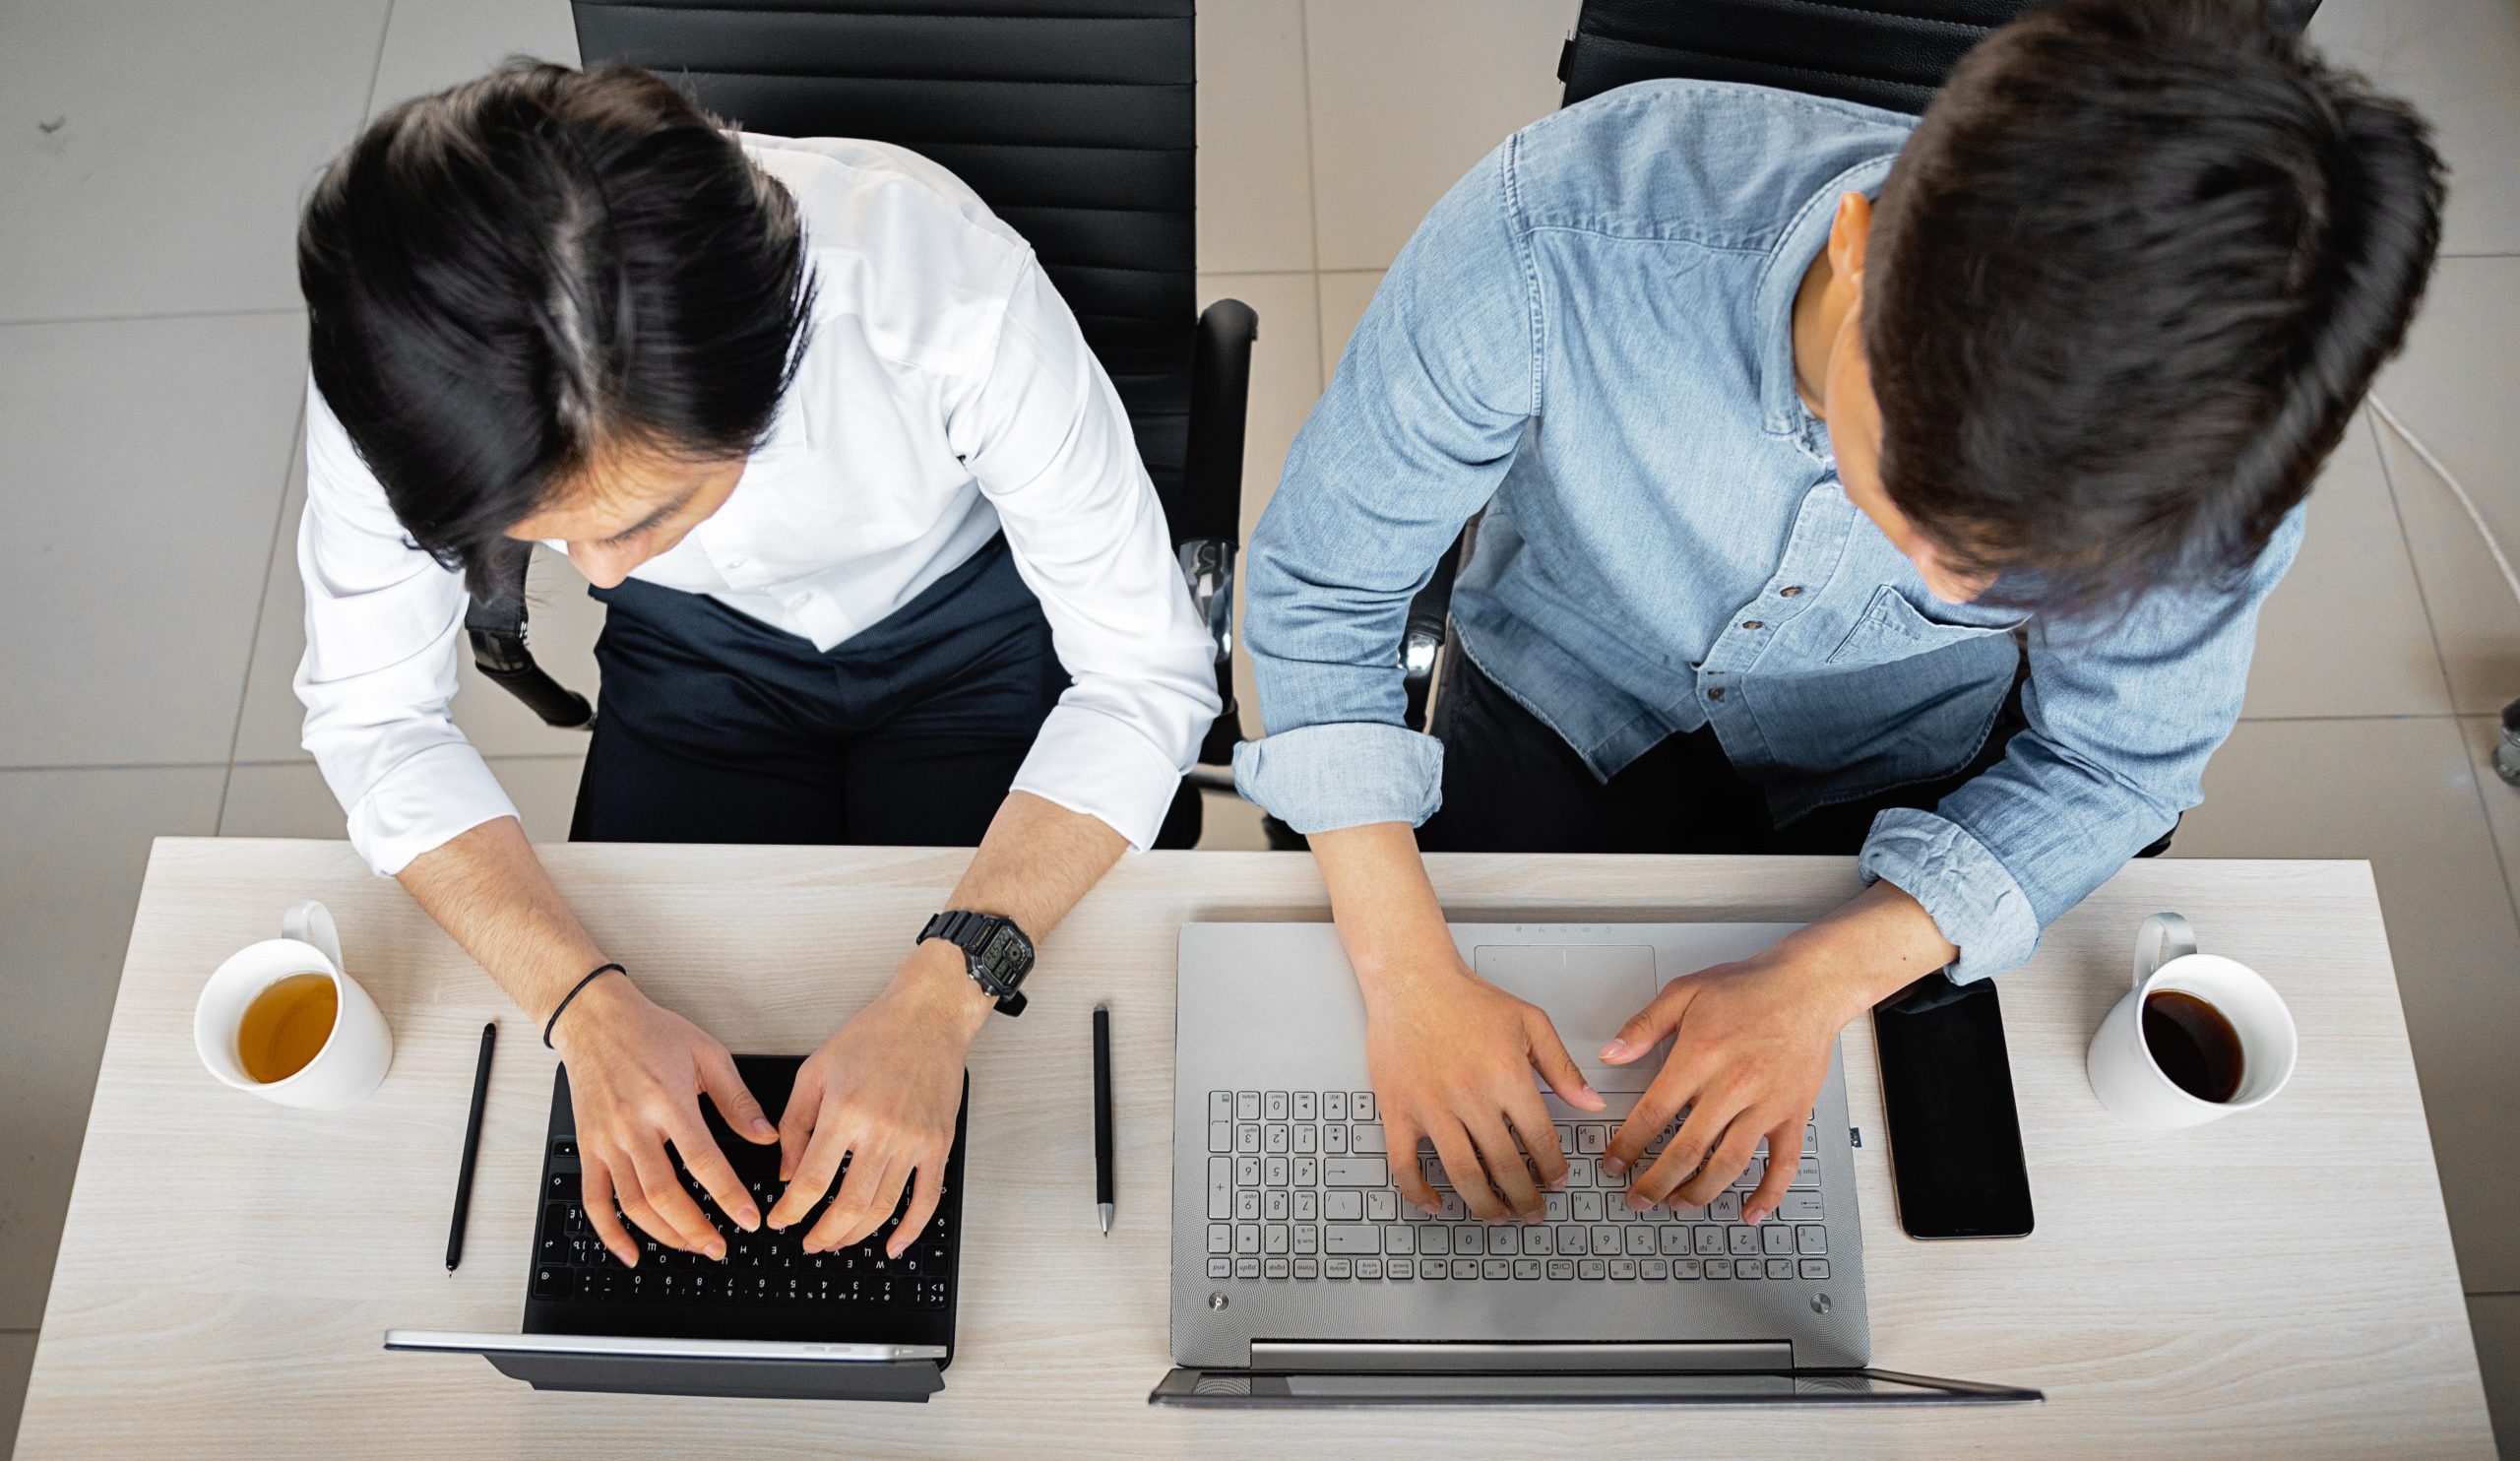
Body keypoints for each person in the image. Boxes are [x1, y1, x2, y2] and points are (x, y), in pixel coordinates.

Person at [1234, 0, 2442, 1227]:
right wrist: (1402, 971)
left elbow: (2121, 759)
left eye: (2030, 569)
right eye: (1924, 504)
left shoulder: (2206, 459)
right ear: (1859, 244)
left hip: (1902, 766)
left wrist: (1825, 977)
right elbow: (1320, 586)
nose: (1965, 591)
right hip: (1561, 689)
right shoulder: (1561, 231)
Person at [294, 63, 1219, 1268]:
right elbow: (375, 721)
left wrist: (943, 996)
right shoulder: (398, 361)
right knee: (678, 1103)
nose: (598, 576)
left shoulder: (936, 288)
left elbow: (1145, 672)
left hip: (976, 618)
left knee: (997, 1117)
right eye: (548, 535)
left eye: (644, 513)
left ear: (765, 369)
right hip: (694, 657)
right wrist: (582, 1005)